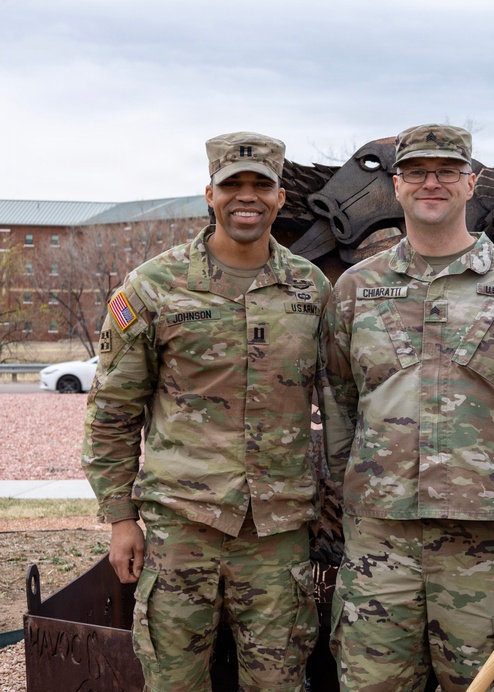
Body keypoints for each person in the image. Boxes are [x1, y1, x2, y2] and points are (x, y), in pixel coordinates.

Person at [324, 123, 494, 691]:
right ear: (396, 186)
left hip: (489, 546)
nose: (431, 183)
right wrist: (353, 500)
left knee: (489, 685)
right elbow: (338, 402)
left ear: (471, 184)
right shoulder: (357, 288)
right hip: (380, 541)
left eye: (447, 171)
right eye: (416, 171)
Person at [82, 131, 330, 691]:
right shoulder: (154, 286)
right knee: (175, 682)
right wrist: (121, 517)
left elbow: (338, 402)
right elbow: (113, 410)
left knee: (280, 682)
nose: (248, 197)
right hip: (181, 527)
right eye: (232, 186)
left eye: (261, 185)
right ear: (209, 195)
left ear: (281, 197)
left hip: (278, 532)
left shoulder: (309, 288)